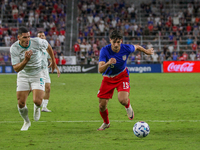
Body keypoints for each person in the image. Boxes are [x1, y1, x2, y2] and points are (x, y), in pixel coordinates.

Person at [97, 30, 154, 130]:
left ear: (121, 41)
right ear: (110, 40)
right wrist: (108, 63)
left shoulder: (126, 48)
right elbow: (100, 69)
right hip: (107, 79)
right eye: (114, 42)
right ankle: (106, 123)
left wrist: (146, 51)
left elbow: (137, 46)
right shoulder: (104, 51)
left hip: (121, 76)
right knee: (102, 106)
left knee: (123, 100)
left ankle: (128, 106)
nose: (115, 44)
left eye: (118, 42)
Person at [10, 27, 56, 131]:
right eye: (25, 37)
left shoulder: (37, 42)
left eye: (29, 37)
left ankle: (37, 107)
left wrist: (53, 61)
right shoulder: (14, 48)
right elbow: (16, 68)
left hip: (37, 74)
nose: (27, 39)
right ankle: (26, 122)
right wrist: (26, 60)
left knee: (37, 101)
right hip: (23, 75)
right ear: (19, 38)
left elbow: (48, 46)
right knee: (21, 103)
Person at [37, 31, 61, 112]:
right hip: (36, 71)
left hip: (45, 71)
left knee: (48, 88)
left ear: (45, 37)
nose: (41, 37)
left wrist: (57, 68)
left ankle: (44, 107)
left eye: (42, 35)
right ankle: (25, 101)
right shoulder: (34, 48)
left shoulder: (46, 49)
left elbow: (51, 60)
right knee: (34, 89)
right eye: (39, 36)